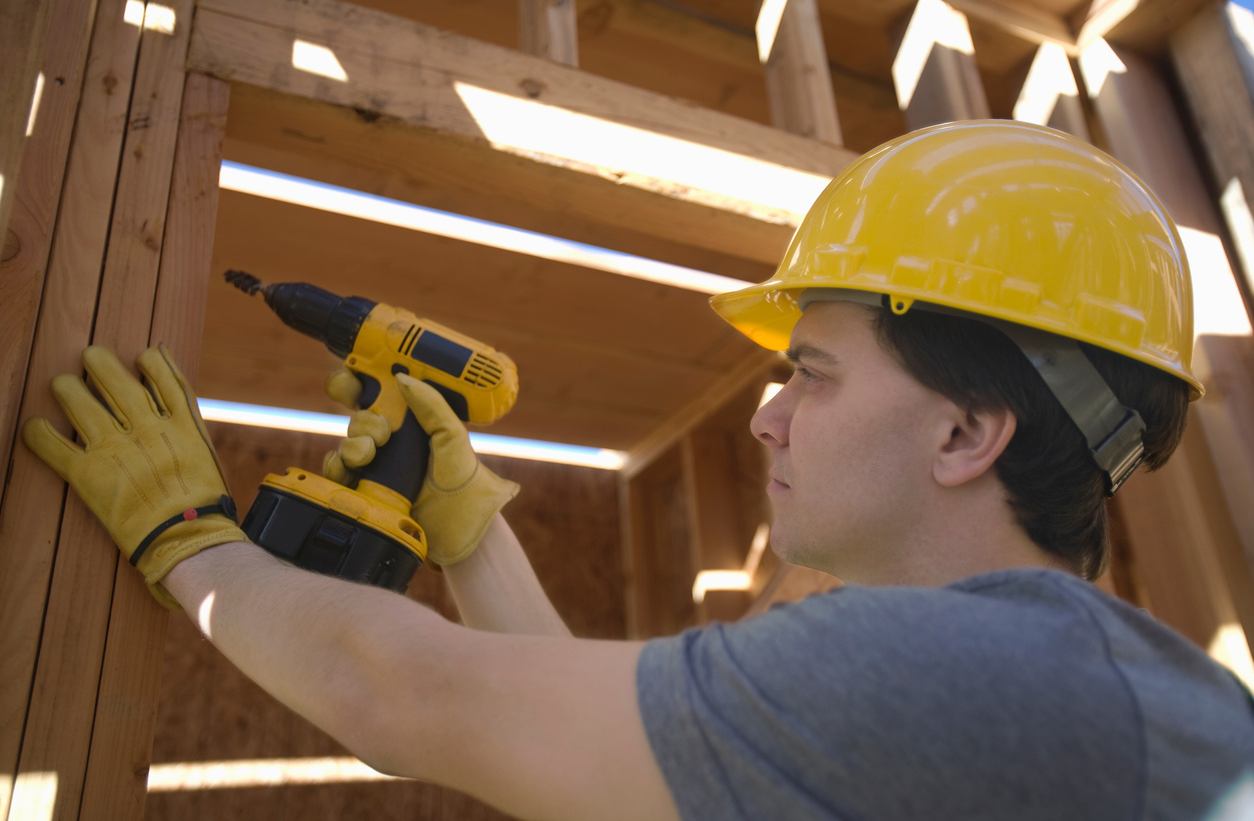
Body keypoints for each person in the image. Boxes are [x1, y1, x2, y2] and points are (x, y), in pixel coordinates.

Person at [23, 120, 1254, 820]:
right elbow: (603, 759)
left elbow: (411, 704)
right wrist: (470, 530)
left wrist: (190, 532)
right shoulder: (1036, 684)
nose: (765, 420)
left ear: (964, 432)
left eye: (810, 372)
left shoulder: (974, 678)